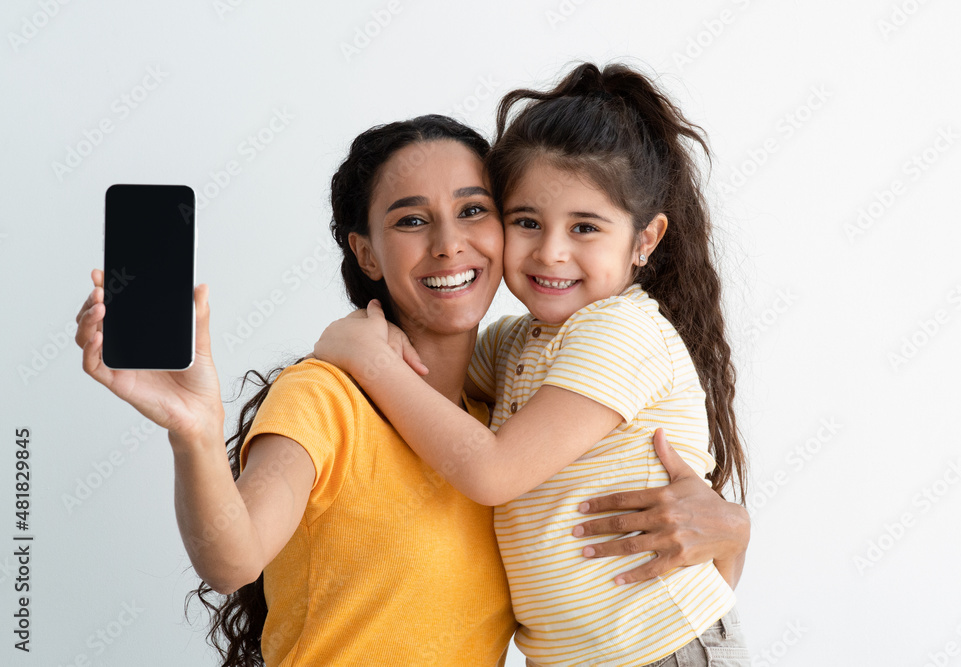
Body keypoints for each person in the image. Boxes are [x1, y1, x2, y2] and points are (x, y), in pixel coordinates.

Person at [75, 113, 749, 666]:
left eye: (474, 210)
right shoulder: (328, 397)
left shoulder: (502, 415)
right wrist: (192, 430)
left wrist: (734, 528)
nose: (450, 243)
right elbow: (233, 559)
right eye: (410, 220)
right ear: (366, 253)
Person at [310, 63, 750, 666]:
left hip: (662, 650)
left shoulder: (620, 330)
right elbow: (438, 384)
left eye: (585, 227)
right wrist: (367, 337)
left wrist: (368, 360)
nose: (551, 251)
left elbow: (491, 471)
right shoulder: (522, 342)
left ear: (644, 240)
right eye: (526, 223)